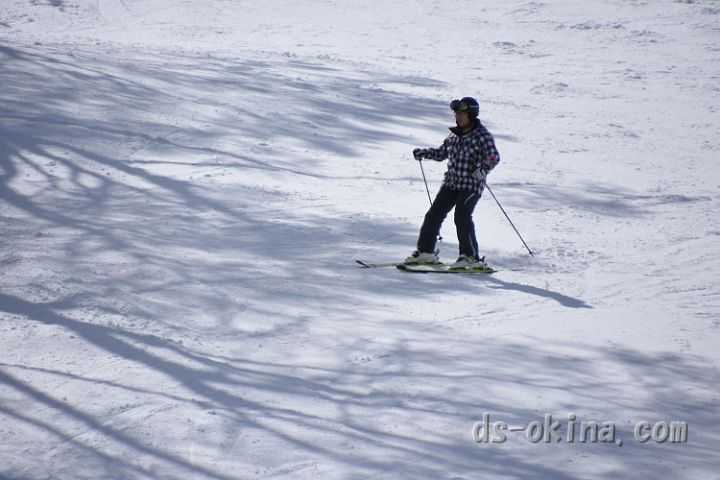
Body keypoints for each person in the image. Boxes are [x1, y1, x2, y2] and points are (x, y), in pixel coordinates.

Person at [406, 97, 500, 268]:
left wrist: (485, 167)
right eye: (456, 114)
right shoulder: (454, 135)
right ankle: (426, 252)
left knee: (462, 216)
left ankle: (470, 257)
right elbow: (441, 153)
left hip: (471, 185)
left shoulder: (482, 135)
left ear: (471, 114)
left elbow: (494, 156)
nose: (457, 117)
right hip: (452, 183)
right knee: (433, 215)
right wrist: (424, 153)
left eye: (461, 114)